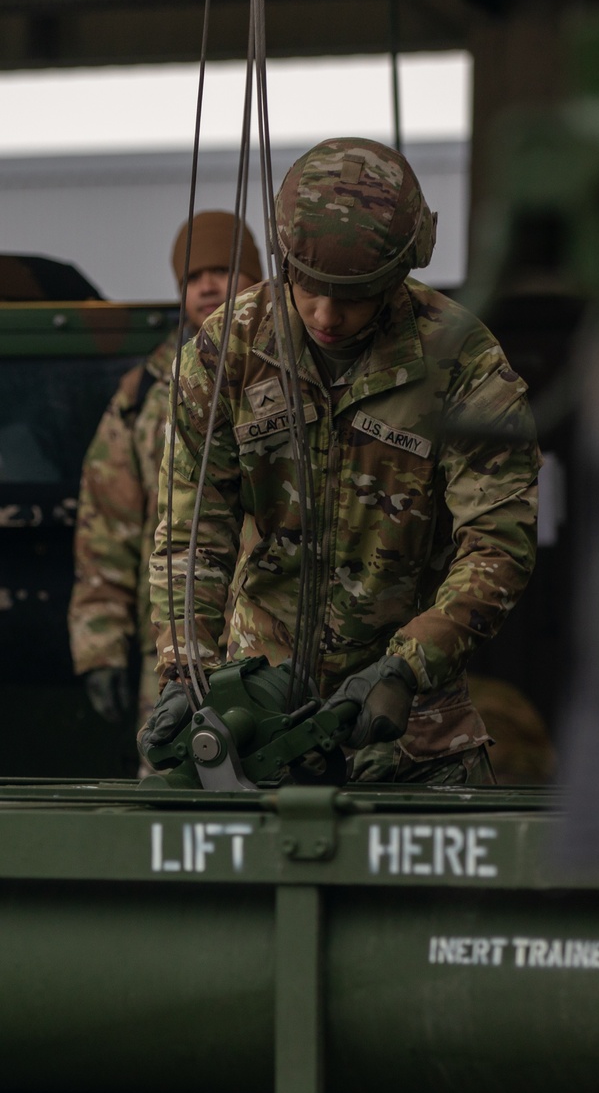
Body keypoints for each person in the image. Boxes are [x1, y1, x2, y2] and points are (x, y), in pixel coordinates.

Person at [143, 139, 540, 785]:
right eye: (310, 287)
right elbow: (192, 533)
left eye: (354, 296)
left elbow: (498, 542)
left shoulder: (462, 362)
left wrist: (410, 665)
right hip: (256, 719)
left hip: (412, 727)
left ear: (400, 273)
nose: (327, 315)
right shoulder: (227, 353)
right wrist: (183, 669)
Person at [69, 212, 262, 737]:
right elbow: (106, 527)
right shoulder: (146, 393)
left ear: (258, 277)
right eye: (192, 277)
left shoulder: (295, 373)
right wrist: (98, 644)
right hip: (176, 658)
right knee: (175, 795)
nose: (206, 285)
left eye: (223, 269)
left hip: (279, 646)